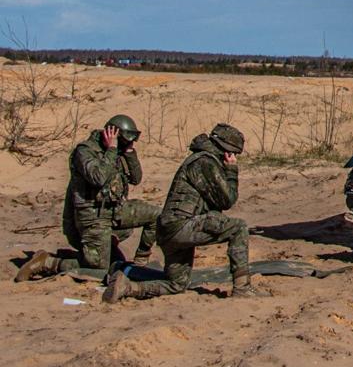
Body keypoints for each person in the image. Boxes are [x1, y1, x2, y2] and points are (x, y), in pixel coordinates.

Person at [103, 123, 266, 301]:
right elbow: (227, 200)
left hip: (169, 230)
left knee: (176, 285)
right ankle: (242, 287)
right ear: (227, 152)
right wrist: (232, 171)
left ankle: (127, 288)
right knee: (239, 228)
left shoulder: (199, 160)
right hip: (182, 227)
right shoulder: (205, 163)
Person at [16, 114, 159, 281]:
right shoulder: (85, 151)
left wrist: (129, 153)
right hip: (92, 217)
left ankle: (139, 262)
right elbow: (98, 177)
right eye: (126, 140)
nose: (128, 143)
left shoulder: (120, 152)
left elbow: (136, 178)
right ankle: (48, 262)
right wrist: (111, 150)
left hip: (114, 211)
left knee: (157, 215)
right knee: (100, 270)